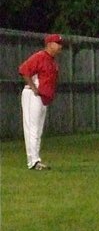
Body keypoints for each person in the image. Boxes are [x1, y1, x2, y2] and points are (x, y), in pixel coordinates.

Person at [19, 33, 65, 170]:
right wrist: (34, 88)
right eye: (58, 43)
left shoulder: (51, 60)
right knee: (32, 128)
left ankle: (36, 159)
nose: (60, 46)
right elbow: (24, 70)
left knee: (38, 129)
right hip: (32, 95)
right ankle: (33, 161)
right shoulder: (39, 56)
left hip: (42, 97)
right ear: (49, 44)